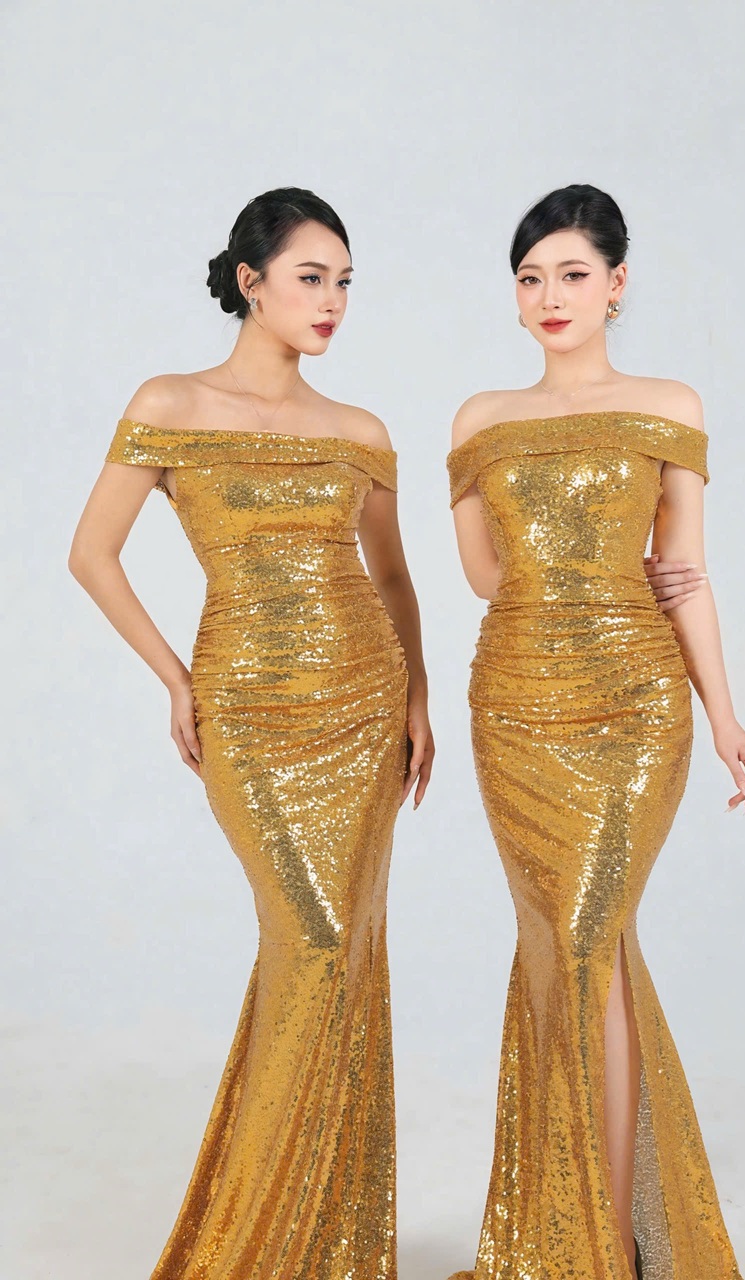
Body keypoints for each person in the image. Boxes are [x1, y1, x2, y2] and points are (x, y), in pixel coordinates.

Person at [68, 187, 434, 1280]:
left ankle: (325, 1241)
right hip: (248, 708)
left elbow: (394, 575)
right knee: (312, 941)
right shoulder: (171, 402)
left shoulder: (359, 429)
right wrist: (176, 678)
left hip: (363, 703)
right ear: (249, 280)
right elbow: (91, 553)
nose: (332, 302)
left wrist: (416, 697)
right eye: (311, 277)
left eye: (345, 282)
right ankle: (258, 1237)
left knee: (340, 953)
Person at [446, 183, 745, 1280]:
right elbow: (485, 577)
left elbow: (687, 573)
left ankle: (596, 1246)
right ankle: (589, 1234)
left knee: (588, 935)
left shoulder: (669, 402)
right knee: (573, 949)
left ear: (616, 285)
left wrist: (724, 714)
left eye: (573, 275)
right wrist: (576, 565)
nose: (551, 295)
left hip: (634, 705)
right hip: (514, 705)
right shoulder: (479, 419)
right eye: (530, 277)